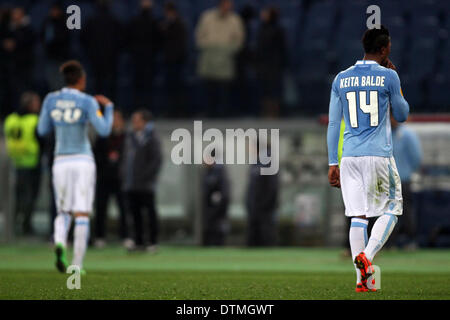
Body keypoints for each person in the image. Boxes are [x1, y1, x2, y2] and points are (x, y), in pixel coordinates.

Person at [327, 26, 409, 292]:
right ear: (384, 49)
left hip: (349, 157)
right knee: (393, 208)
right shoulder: (388, 76)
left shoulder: (341, 78)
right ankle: (368, 257)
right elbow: (403, 114)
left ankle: (363, 281)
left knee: (357, 217)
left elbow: (332, 124)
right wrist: (397, 81)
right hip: (377, 154)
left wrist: (332, 162)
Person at [37, 60, 114, 274]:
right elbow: (105, 130)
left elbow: (42, 129)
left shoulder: (51, 99)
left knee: (63, 211)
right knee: (82, 213)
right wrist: (108, 108)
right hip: (82, 159)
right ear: (81, 80)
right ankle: (77, 265)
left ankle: (60, 241)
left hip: (60, 160)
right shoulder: (87, 101)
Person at [195, 0, 244, 117]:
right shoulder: (207, 17)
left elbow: (239, 39)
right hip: (209, 56)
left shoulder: (235, 19)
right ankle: (210, 112)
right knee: (209, 86)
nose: (228, 7)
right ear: (221, 5)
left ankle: (224, 113)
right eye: (226, 4)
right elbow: (199, 35)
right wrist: (208, 47)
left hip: (225, 57)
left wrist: (228, 50)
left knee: (224, 88)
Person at [122, 109, 162, 252]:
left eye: (137, 120)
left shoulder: (151, 137)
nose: (134, 123)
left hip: (146, 184)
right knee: (135, 213)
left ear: (145, 122)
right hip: (131, 183)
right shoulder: (131, 137)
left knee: (149, 213)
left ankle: (152, 241)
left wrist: (146, 176)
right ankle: (138, 241)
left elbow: (156, 160)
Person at [4, 92, 42, 235]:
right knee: (29, 196)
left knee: (14, 196)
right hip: (31, 162)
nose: (38, 106)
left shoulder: (11, 119)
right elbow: (41, 140)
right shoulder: (34, 120)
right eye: (36, 103)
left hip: (13, 162)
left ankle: (13, 225)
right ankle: (26, 226)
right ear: (29, 105)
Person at [93, 109, 130, 248]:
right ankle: (100, 236)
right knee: (101, 208)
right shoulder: (102, 137)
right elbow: (96, 156)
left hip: (121, 179)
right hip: (104, 177)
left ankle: (126, 236)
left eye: (116, 118)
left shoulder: (126, 137)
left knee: (124, 209)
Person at [389, 114, 422, 249]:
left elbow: (416, 158)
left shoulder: (407, 134)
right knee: (387, 212)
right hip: (387, 181)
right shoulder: (384, 134)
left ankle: (410, 240)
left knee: (406, 211)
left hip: (403, 180)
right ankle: (389, 243)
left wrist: (406, 172)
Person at [80, 0, 121, 100]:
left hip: (97, 59)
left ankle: (98, 109)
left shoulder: (93, 21)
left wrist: (91, 52)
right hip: (109, 59)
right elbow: (83, 39)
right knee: (109, 86)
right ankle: (110, 108)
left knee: (99, 85)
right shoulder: (114, 20)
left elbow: (83, 39)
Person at [0, 6, 35, 118]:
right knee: (10, 93)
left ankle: (24, 113)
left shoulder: (28, 28)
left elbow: (28, 43)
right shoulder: (8, 28)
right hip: (9, 68)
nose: (15, 16)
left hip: (24, 68)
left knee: (23, 92)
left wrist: (15, 43)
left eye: (17, 14)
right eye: (14, 14)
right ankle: (12, 115)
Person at [127, 0, 161, 109]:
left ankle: (142, 108)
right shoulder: (151, 22)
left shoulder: (153, 22)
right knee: (144, 85)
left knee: (142, 85)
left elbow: (159, 41)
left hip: (142, 58)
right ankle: (143, 109)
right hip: (144, 58)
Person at [255, 6, 286, 117]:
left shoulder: (278, 30)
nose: (263, 15)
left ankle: (275, 112)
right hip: (263, 64)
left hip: (274, 64)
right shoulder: (261, 29)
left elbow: (282, 48)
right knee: (265, 88)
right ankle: (265, 111)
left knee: (274, 89)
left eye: (266, 13)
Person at [246, 141, 279, 246]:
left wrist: (263, 206)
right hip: (255, 210)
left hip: (264, 212)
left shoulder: (267, 162)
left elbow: (271, 188)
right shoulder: (256, 163)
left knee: (266, 238)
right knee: (254, 240)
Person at [160, 1, 187, 117]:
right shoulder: (164, 24)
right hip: (168, 60)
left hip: (178, 60)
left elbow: (181, 43)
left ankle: (179, 111)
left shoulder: (179, 24)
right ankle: (171, 110)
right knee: (170, 86)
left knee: (178, 87)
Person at [201, 150, 230, 246]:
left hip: (217, 215)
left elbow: (224, 195)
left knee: (216, 239)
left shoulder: (219, 172)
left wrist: (216, 212)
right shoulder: (208, 172)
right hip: (208, 214)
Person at [41, 2, 70, 91]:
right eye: (52, 10)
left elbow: (65, 39)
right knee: (51, 83)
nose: (53, 12)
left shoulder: (65, 23)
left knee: (61, 83)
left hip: (61, 58)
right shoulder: (47, 22)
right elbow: (42, 37)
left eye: (55, 10)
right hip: (50, 57)